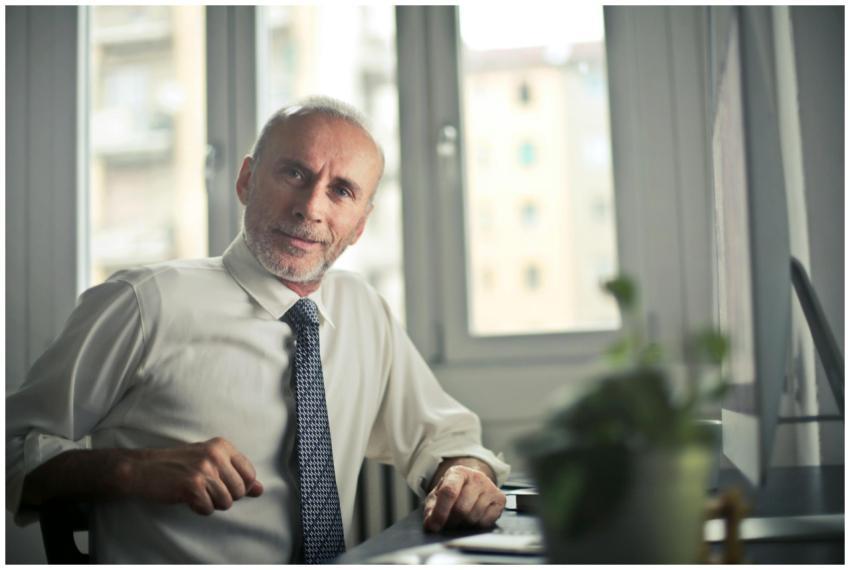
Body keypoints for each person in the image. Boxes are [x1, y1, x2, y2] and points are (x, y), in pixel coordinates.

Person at [6, 97, 510, 564]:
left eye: (341, 191)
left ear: (359, 225)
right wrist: (132, 469)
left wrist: (465, 473)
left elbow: (444, 438)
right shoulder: (144, 303)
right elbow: (12, 448)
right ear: (247, 179)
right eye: (294, 172)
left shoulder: (364, 310)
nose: (311, 207)